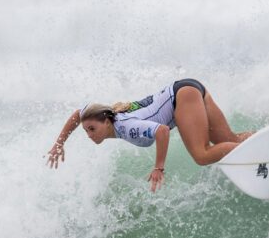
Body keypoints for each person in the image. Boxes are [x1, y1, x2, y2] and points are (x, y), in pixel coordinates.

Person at [47, 78, 252, 192]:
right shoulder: (105, 114)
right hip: (186, 88)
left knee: (202, 155)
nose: (89, 135)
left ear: (107, 122)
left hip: (181, 97)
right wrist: (59, 143)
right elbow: (78, 114)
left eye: (92, 129)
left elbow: (162, 131)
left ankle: (255, 155)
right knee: (228, 142)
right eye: (86, 131)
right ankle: (260, 140)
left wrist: (158, 168)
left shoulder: (127, 127)